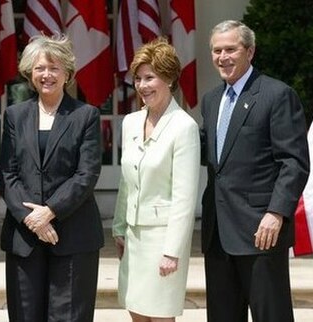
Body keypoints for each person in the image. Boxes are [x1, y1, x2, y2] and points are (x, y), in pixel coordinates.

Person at [200, 20, 309, 322]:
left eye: (231, 49)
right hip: (218, 234)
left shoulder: (277, 95)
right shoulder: (210, 101)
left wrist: (277, 213)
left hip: (261, 232)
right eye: (217, 50)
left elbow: (294, 162)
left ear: (250, 51)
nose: (223, 57)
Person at [0, 34, 104, 322]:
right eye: (40, 68)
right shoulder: (14, 115)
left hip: (74, 235)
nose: (47, 75)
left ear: (67, 73)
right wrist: (31, 218)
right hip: (24, 237)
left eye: (54, 68)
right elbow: (7, 173)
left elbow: (87, 173)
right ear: (30, 73)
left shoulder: (86, 115)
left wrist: (50, 211)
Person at [112, 37, 201, 322]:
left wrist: (172, 252)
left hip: (163, 240)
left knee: (160, 316)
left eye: (150, 78)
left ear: (169, 79)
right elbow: (127, 181)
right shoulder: (129, 122)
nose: (142, 86)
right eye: (138, 78)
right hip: (134, 239)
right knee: (136, 311)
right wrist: (119, 227)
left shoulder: (184, 127)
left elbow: (185, 197)